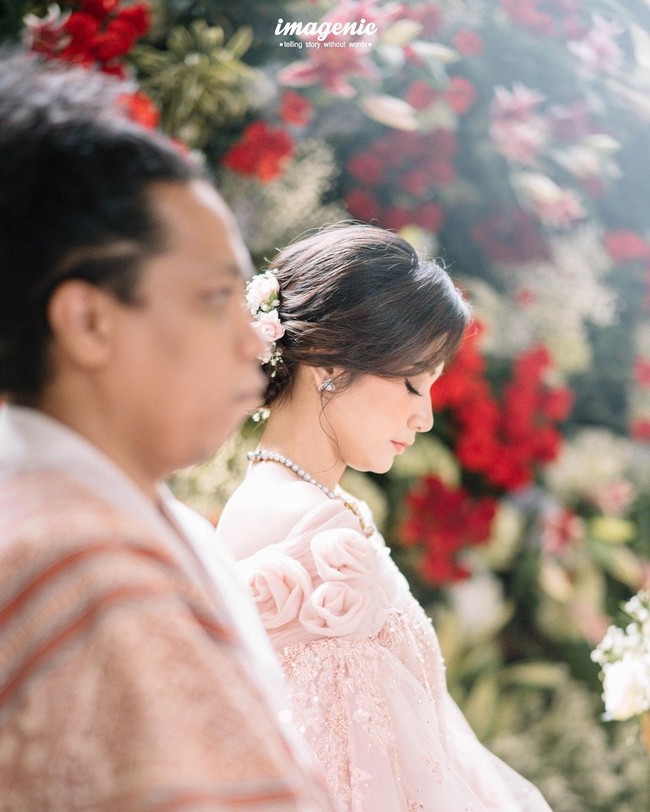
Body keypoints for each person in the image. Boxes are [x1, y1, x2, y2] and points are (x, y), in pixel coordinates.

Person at [0, 49, 335, 811]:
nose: (256, 342)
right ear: (89, 320)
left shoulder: (110, 523)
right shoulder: (75, 566)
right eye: (217, 297)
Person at [216, 224, 553, 811]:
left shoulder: (307, 506)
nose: (423, 418)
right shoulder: (310, 528)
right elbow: (356, 779)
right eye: (410, 384)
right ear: (327, 364)